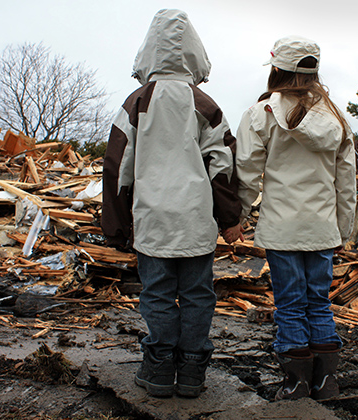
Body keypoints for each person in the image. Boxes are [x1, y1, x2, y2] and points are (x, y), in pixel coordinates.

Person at [102, 9, 242, 398]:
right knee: (198, 294)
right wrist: (231, 217)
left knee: (157, 293)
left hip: (153, 220)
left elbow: (117, 167)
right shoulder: (205, 104)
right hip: (195, 220)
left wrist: (116, 226)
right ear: (195, 53)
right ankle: (193, 371)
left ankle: (160, 369)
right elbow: (223, 166)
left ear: (148, 52)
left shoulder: (136, 103)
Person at [231, 35, 357, 401]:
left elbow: (246, 174)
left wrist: (236, 217)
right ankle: (326, 383)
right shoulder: (335, 118)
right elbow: (346, 183)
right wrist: (344, 229)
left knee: (289, 304)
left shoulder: (262, 114)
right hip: (321, 230)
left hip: (281, 229)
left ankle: (296, 383)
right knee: (318, 303)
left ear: (277, 69)